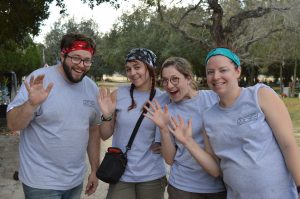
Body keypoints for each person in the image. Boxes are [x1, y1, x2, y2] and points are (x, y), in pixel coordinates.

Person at [168, 48, 300, 199]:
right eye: (210, 72)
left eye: (223, 70)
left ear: (237, 71)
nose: (216, 76)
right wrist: (188, 142)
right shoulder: (209, 117)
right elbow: (216, 169)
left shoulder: (260, 95)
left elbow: (288, 145)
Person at [6, 33, 101, 199]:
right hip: (41, 182)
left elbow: (93, 131)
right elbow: (13, 125)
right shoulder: (39, 79)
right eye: (76, 58)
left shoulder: (92, 88)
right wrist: (31, 104)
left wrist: (95, 170)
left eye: (87, 60)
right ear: (62, 55)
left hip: (74, 181)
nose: (81, 65)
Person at [144, 57, 226, 199]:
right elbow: (169, 159)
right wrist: (163, 129)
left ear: (188, 78)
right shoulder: (166, 112)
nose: (169, 86)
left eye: (175, 79)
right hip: (182, 187)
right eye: (165, 80)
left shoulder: (214, 98)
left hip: (218, 186)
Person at [97, 48, 167, 199]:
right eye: (128, 69)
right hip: (121, 174)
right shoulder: (119, 94)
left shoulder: (163, 98)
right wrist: (107, 115)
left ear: (149, 67)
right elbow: (104, 135)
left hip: (152, 176)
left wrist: (167, 144)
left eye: (137, 67)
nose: (132, 73)